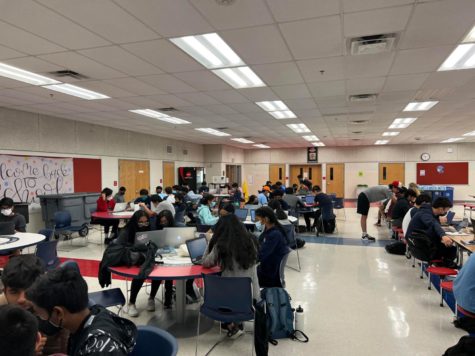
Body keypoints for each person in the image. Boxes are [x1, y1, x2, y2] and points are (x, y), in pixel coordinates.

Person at [26, 267, 137, 356]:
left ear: (59, 313)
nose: (40, 318)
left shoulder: (99, 350)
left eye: (40, 314)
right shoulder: (93, 312)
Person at [202, 214, 260, 337]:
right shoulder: (251, 241)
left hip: (225, 299)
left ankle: (231, 323)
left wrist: (210, 242)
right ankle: (235, 322)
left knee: (223, 282)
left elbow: (206, 263)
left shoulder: (221, 244)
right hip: (250, 296)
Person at [0, 255, 69, 355]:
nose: (21, 299)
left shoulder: (58, 313)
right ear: (4, 291)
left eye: (29, 291)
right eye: (14, 292)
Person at [115, 210, 169, 315]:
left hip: (145, 257)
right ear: (135, 221)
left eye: (146, 222)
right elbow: (121, 248)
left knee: (157, 273)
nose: (144, 225)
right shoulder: (126, 232)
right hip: (130, 259)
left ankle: (151, 298)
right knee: (140, 274)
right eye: (141, 222)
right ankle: (131, 303)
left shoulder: (149, 229)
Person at [406, 197, 457, 268]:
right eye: (446, 210)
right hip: (419, 246)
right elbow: (433, 224)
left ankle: (443, 264)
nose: (446, 213)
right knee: (451, 248)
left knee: (446, 246)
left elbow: (434, 224)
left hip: (416, 241)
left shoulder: (429, 211)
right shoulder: (425, 213)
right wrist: (443, 236)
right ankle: (444, 267)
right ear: (441, 209)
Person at [254, 206, 290, 288]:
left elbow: (262, 254)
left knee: (246, 276)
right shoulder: (272, 229)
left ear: (266, 219)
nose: (258, 222)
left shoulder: (274, 234)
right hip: (270, 265)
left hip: (269, 271)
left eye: (259, 219)